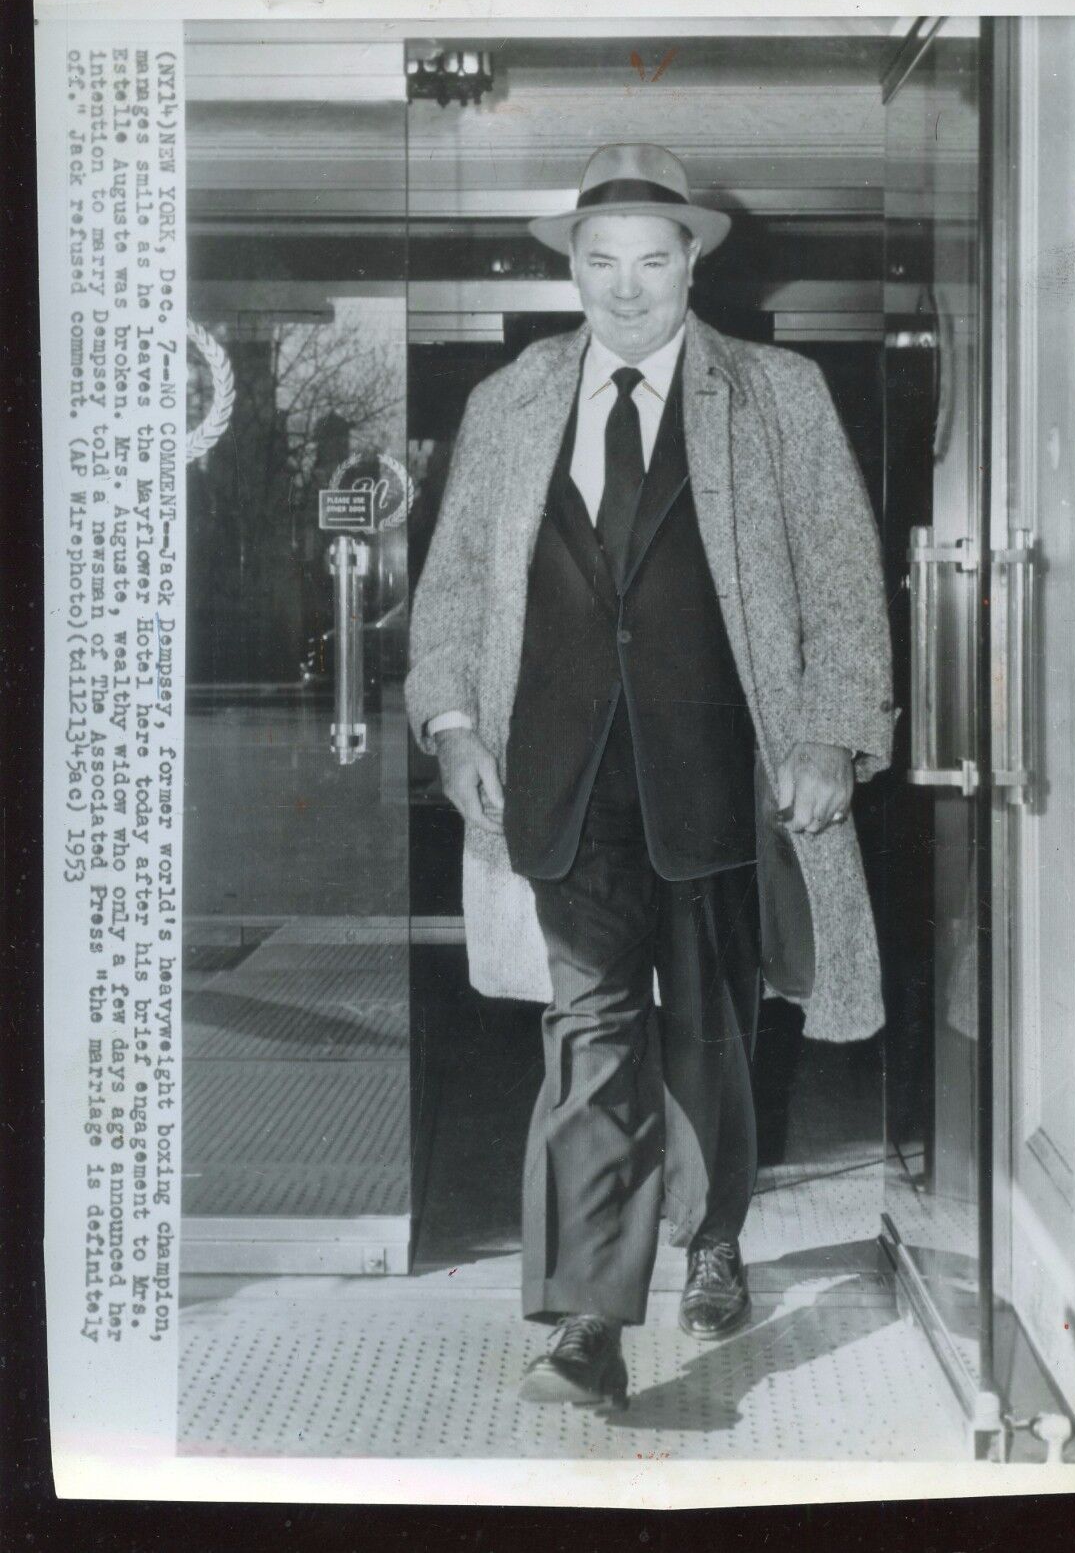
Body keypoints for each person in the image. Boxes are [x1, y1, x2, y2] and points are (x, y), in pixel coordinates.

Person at [406, 143, 893, 1411]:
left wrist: (832, 736)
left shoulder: (775, 395)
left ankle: (713, 1226)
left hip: (726, 779)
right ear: (570, 267)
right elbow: (454, 584)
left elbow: (844, 586)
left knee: (708, 1033)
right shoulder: (512, 400)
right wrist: (454, 722)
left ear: (692, 264)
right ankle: (584, 1321)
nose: (625, 289)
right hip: (560, 781)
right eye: (599, 261)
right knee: (589, 1038)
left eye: (652, 260)